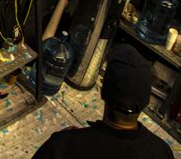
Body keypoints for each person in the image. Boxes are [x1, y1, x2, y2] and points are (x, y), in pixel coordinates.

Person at [32, 43, 172, 158]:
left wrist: (73, 139)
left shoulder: (62, 146)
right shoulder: (162, 152)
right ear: (146, 102)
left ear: (103, 92)